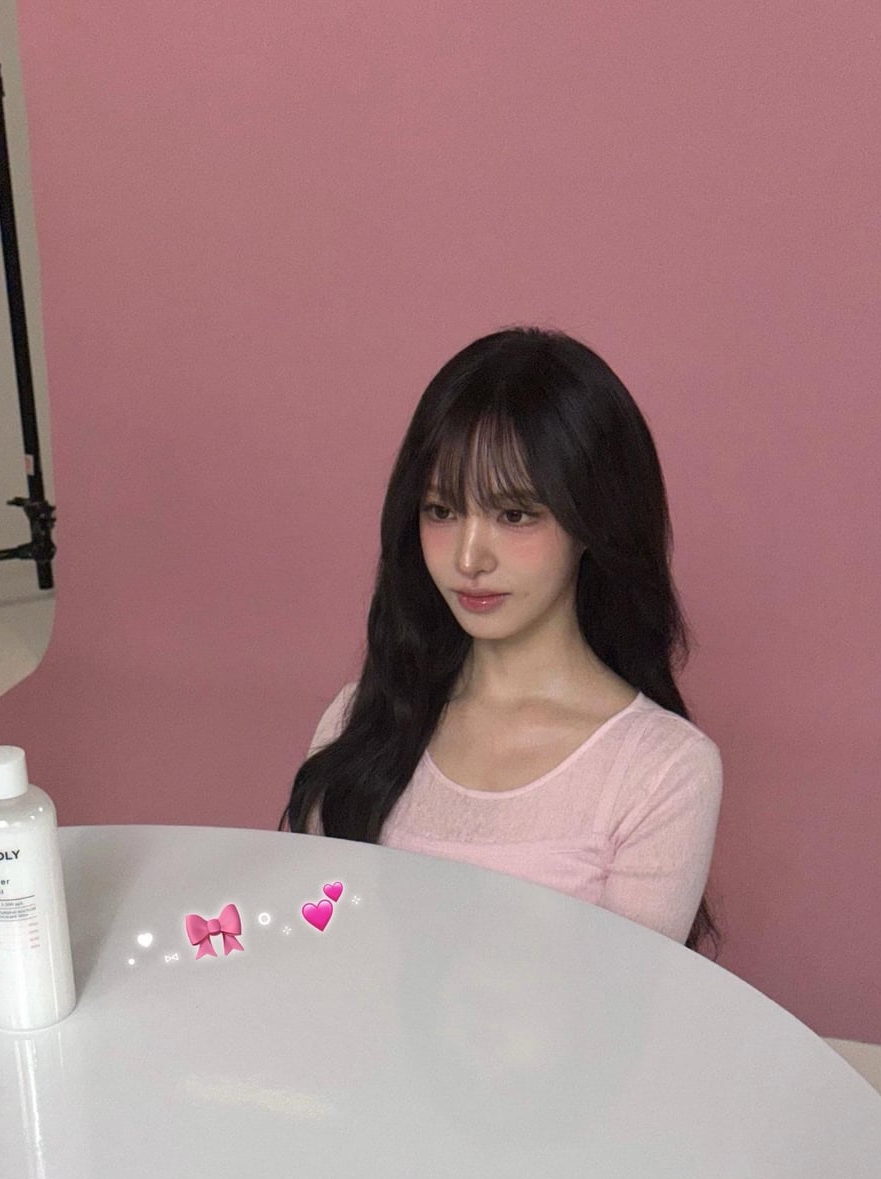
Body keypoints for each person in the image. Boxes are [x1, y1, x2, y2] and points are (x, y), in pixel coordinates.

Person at [282, 327, 722, 955]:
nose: (468, 558)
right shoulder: (359, 720)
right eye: (441, 511)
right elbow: (306, 957)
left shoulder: (661, 771)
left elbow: (621, 1007)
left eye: (514, 515)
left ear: (593, 520)